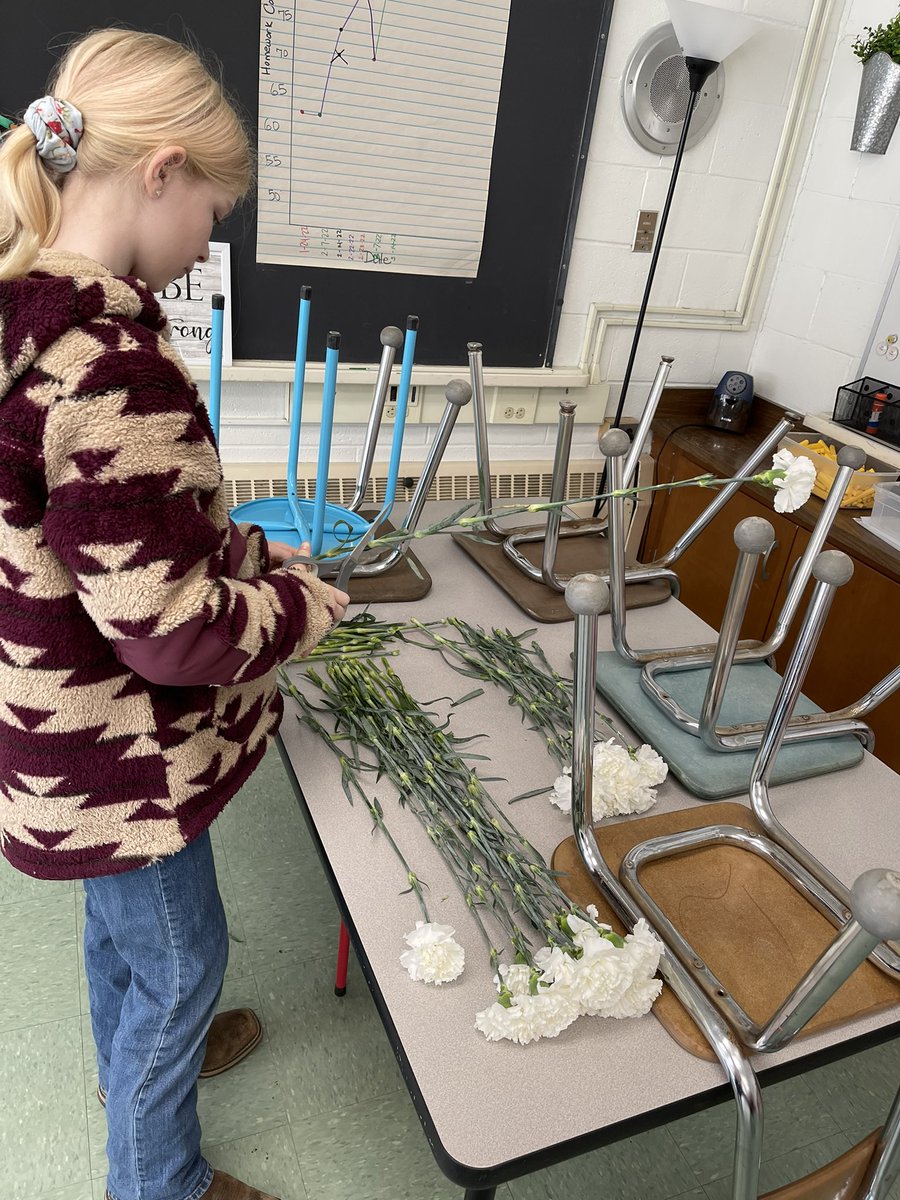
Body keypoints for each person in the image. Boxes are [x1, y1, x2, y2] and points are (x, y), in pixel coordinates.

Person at [0, 27, 350, 1200]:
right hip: (124, 762)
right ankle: (164, 1180)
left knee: (124, 934)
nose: (208, 246)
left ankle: (130, 1064)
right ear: (158, 171)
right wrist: (297, 604)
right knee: (183, 958)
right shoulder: (112, 365)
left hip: (59, 747)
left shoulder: (28, 327)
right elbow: (168, 628)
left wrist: (246, 547)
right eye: (213, 211)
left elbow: (122, 539)